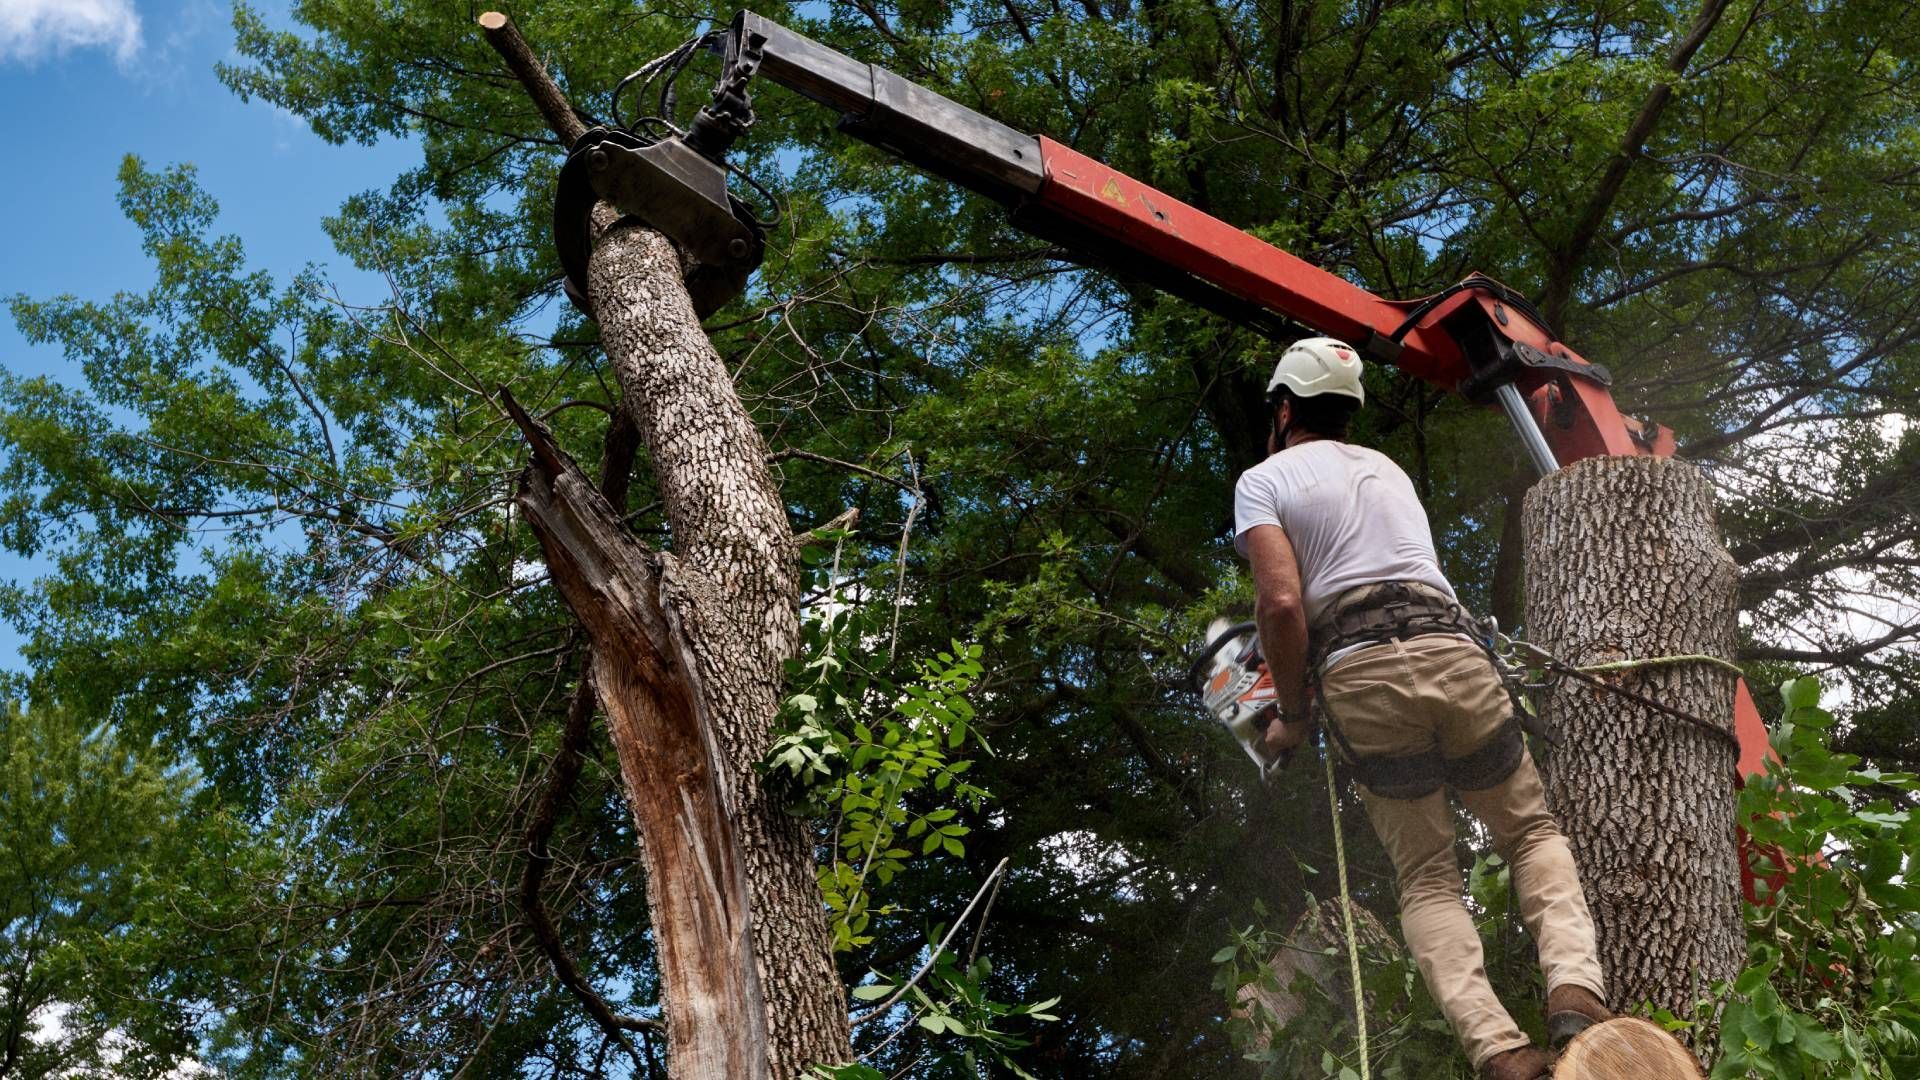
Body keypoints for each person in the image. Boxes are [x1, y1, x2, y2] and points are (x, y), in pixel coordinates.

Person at [1233, 337, 1613, 1080]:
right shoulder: (1387, 469)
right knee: (1531, 831)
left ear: (1282, 407)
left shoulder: (1264, 478)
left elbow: (1280, 602)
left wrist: (1294, 715)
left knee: (1429, 878)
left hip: (1361, 677)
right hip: (1453, 652)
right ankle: (1575, 990)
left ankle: (1499, 1050)